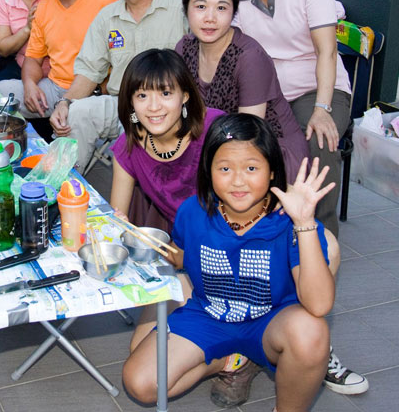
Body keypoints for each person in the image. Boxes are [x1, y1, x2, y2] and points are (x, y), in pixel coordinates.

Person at [123, 113, 333, 412]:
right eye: (224, 168)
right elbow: (182, 255)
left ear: (272, 171)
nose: (237, 180)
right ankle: (229, 359)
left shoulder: (289, 220)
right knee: (141, 384)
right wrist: (144, 247)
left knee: (311, 332)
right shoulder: (192, 212)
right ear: (208, 171)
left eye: (251, 168)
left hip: (271, 321)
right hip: (209, 315)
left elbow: (320, 305)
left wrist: (304, 223)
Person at [218, 0, 351, 237]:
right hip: (269, 94)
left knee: (318, 140)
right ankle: (261, 231)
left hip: (318, 89)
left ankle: (322, 238)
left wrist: (322, 108)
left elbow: (326, 51)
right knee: (240, 141)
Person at [50, 0, 186, 171]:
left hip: (166, 107)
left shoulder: (181, 10)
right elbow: (89, 71)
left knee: (140, 133)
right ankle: (63, 185)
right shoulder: (107, 17)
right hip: (121, 104)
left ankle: (136, 188)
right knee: (76, 113)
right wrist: (65, 102)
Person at [175, 0, 308, 179]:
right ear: (186, 8)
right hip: (214, 147)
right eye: (200, 7)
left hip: (266, 152)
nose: (210, 18)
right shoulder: (184, 48)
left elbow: (249, 134)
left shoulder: (249, 58)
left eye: (221, 8)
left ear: (233, 12)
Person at [0, 0, 117, 117]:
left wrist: (98, 91)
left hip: (96, 94)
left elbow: (124, 64)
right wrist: (29, 85)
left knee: (75, 124)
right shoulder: (43, 7)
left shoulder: (110, 2)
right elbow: (33, 58)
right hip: (55, 89)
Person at [109, 48, 220, 233]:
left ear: (184, 96)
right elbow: (116, 222)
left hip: (232, 238)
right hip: (178, 241)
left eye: (166, 93)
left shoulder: (215, 130)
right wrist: (119, 224)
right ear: (131, 103)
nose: (154, 107)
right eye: (142, 96)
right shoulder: (127, 148)